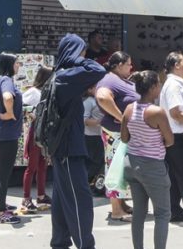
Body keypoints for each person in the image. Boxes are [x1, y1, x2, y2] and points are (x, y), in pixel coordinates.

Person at [49, 33, 107, 249]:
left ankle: (60, 242)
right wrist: (79, 58)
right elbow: (98, 70)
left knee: (63, 199)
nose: (85, 55)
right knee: (80, 199)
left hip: (64, 148)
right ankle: (85, 244)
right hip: (68, 149)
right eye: (82, 51)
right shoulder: (66, 77)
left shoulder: (60, 76)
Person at [121, 71, 175, 249]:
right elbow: (170, 140)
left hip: (132, 163)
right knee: (162, 213)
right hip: (152, 166)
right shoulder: (157, 112)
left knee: (139, 213)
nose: (160, 87)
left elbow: (124, 138)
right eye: (158, 84)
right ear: (152, 88)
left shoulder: (129, 108)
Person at [95, 51, 138, 222]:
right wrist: (122, 118)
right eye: (129, 64)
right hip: (115, 133)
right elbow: (102, 97)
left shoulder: (118, 79)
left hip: (121, 133)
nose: (131, 67)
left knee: (121, 168)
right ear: (119, 65)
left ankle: (121, 204)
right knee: (114, 168)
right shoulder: (109, 80)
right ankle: (116, 210)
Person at [160, 51, 183, 227]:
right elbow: (176, 113)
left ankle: (175, 210)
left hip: (176, 135)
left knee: (176, 176)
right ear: (176, 65)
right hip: (178, 135)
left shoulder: (173, 83)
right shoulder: (174, 85)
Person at [0, 52, 23, 224]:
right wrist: (9, 113)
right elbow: (7, 97)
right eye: (17, 63)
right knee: (4, 172)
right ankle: (1, 212)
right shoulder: (7, 81)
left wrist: (1, 113)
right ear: (10, 64)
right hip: (7, 134)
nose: (19, 66)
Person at [21, 65, 53, 212]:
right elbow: (22, 106)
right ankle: (26, 198)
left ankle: (41, 195)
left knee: (43, 165)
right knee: (32, 166)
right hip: (36, 131)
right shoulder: (33, 92)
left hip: (45, 131)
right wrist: (31, 114)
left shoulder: (49, 92)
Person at [83, 86, 106, 197]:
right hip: (91, 136)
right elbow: (85, 120)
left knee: (99, 162)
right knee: (94, 162)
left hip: (100, 135)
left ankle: (95, 185)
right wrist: (101, 121)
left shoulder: (97, 100)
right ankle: (86, 184)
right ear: (89, 89)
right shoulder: (88, 102)